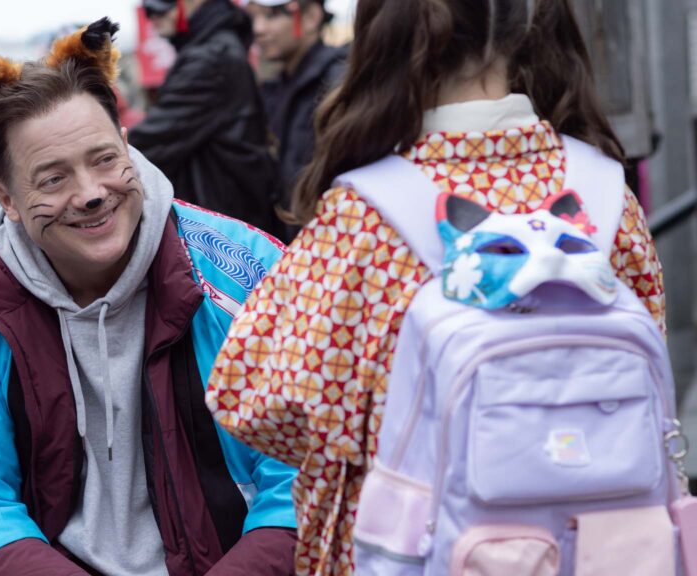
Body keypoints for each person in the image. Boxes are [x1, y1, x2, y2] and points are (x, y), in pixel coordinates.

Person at [205, 0, 666, 573]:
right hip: (600, 546)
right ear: (527, 28)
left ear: (385, 33)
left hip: (419, 548)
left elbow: (253, 401)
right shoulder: (602, 194)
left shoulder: (365, 216)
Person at [0, 19, 298, 575]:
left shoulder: (248, 272)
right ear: (5, 199)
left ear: (128, 147)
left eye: (105, 159)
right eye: (53, 179)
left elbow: (308, 469)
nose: (91, 194)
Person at [130, 0, 284, 238]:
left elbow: (153, 140)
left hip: (224, 225)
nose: (152, 14)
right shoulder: (211, 47)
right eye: (148, 7)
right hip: (229, 216)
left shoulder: (211, 57)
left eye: (163, 3)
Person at [246, 0, 345, 240]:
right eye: (254, 17)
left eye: (271, 16)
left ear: (311, 16)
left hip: (327, 238)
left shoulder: (338, 81)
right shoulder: (275, 86)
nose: (258, 28)